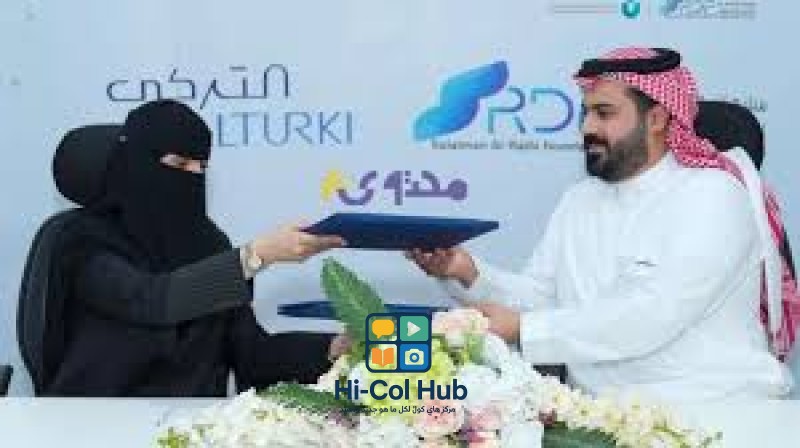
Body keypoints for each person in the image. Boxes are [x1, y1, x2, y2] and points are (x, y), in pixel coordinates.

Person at [408, 47, 798, 401]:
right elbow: (543, 299)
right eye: (586, 113)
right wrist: (467, 273)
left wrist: (524, 329)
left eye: (604, 113)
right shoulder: (580, 199)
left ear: (657, 118)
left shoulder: (714, 194)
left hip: (719, 408)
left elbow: (651, 314)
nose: (587, 128)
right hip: (602, 414)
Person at [47, 99, 344, 396]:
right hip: (97, 414)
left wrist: (334, 348)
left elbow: (252, 354)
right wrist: (256, 256)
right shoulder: (85, 241)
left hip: (191, 419)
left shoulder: (208, 243)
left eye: (200, 167)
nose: (192, 176)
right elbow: (152, 300)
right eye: (179, 164)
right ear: (136, 163)